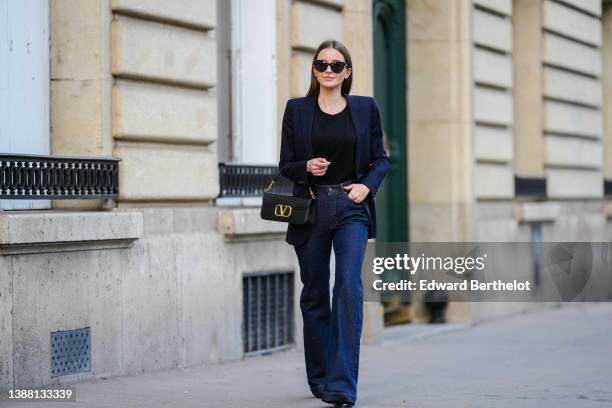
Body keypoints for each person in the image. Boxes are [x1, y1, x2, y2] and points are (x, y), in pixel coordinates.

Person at [278, 39, 390, 408]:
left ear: (348, 72)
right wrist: (306, 168)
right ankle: (321, 375)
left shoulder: (364, 109)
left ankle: (341, 385)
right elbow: (286, 166)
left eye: (336, 65)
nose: (328, 70)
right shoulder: (297, 110)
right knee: (314, 292)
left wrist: (366, 187)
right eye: (322, 64)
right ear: (314, 71)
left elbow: (381, 160)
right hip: (310, 208)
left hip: (351, 207)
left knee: (347, 287)